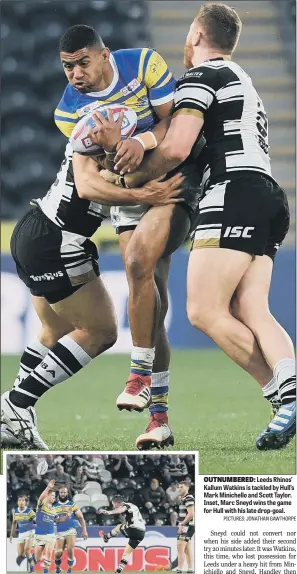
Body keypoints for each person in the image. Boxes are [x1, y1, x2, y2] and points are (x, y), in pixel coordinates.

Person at [115, 2, 296, 450]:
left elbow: (177, 148)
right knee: (253, 308)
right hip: (269, 197)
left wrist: (132, 173)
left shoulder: (201, 77)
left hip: (231, 193)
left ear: (196, 35)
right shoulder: (245, 81)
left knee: (203, 311)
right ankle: (288, 397)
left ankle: (285, 398)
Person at [54, 23, 205, 449]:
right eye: (67, 67)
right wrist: (115, 152)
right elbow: (102, 169)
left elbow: (175, 122)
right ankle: (159, 419)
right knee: (150, 296)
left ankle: (138, 373)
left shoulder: (141, 64)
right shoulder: (69, 112)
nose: (76, 74)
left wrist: (140, 140)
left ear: (104, 55)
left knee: (139, 263)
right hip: (129, 192)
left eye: (82, 62)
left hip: (174, 178)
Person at [1, 102, 181, 449]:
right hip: (58, 241)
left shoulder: (95, 134)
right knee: (101, 332)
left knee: (56, 330)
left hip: (36, 230)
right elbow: (87, 187)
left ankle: (11, 416)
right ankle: (17, 402)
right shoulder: (92, 139)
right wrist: (143, 194)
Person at [99, 494, 146, 573]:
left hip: (133, 529)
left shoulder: (125, 506)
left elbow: (120, 510)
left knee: (118, 527)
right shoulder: (132, 506)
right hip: (141, 533)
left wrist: (109, 512)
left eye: (113, 504)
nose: (113, 506)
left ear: (117, 503)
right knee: (127, 552)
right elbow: (126, 521)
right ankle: (118, 571)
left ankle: (106, 537)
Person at [34, 480, 71, 574]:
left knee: (49, 553)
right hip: (39, 535)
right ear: (47, 496)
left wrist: (66, 516)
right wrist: (48, 487)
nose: (54, 497)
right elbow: (40, 498)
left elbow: (58, 520)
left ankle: (45, 572)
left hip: (50, 535)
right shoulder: (41, 505)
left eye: (55, 496)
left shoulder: (54, 510)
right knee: (37, 558)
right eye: (53, 496)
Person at [54, 486, 88, 574]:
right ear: (59, 494)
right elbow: (55, 520)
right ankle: (58, 568)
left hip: (71, 530)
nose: (63, 494)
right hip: (59, 531)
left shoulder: (72, 505)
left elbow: (81, 517)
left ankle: (69, 569)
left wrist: (84, 530)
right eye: (61, 492)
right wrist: (64, 517)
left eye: (64, 492)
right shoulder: (54, 506)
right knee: (58, 552)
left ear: (67, 493)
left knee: (70, 549)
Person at [10, 495, 36, 573]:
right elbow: (14, 524)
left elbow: (36, 520)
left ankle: (32, 568)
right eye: (20, 500)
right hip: (21, 533)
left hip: (30, 532)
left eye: (23, 500)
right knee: (21, 555)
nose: (21, 502)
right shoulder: (15, 512)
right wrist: (11, 534)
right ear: (17, 502)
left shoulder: (29, 511)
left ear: (25, 502)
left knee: (27, 550)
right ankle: (33, 557)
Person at [176, 481, 195, 574]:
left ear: (187, 488)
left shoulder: (189, 498)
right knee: (187, 548)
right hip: (187, 525)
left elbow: (191, 514)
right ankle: (190, 569)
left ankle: (179, 570)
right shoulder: (184, 498)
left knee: (180, 547)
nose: (179, 489)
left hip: (187, 525)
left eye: (181, 487)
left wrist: (182, 524)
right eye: (178, 487)